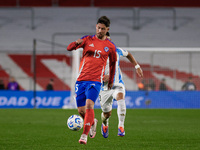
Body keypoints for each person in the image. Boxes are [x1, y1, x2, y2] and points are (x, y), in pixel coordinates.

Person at [67, 16, 117, 144]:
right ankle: (92, 121)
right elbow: (69, 48)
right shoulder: (87, 39)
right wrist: (76, 43)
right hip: (81, 79)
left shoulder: (110, 46)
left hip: (95, 81)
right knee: (81, 110)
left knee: (90, 105)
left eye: (103, 29)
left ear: (107, 30)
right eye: (98, 28)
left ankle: (84, 135)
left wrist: (110, 80)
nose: (100, 30)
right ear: (96, 27)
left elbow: (112, 64)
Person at [99, 32, 143, 138]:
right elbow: (90, 71)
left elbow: (128, 54)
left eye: (109, 39)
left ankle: (121, 127)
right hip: (104, 88)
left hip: (117, 84)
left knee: (121, 100)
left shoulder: (117, 50)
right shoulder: (97, 54)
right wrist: (101, 78)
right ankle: (105, 124)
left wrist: (137, 66)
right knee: (107, 114)